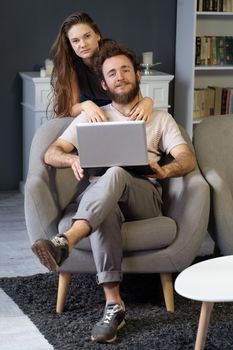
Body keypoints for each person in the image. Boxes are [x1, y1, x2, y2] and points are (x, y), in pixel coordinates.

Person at [32, 41, 196, 344]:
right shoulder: (92, 117)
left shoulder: (160, 118)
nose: (119, 76)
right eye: (112, 73)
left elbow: (187, 158)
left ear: (137, 76)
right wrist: (72, 158)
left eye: (125, 70)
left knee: (117, 171)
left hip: (144, 194)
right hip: (103, 196)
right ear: (104, 84)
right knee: (106, 205)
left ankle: (67, 240)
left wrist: (165, 170)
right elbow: (52, 153)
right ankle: (113, 305)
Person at [50, 11, 153, 122]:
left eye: (87, 36)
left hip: (117, 110)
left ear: (97, 35)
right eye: (75, 41)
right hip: (91, 115)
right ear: (70, 44)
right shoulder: (72, 67)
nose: (83, 44)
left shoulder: (114, 54)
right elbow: (71, 108)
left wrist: (148, 102)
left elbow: (135, 96)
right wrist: (86, 105)